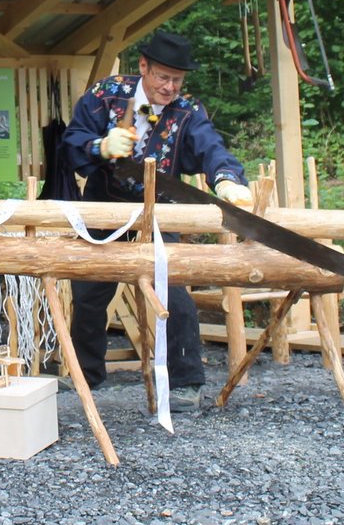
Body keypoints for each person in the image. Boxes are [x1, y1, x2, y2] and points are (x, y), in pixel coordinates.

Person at [61, 30, 252, 412]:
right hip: (105, 203)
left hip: (162, 203)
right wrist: (99, 146)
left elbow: (211, 147)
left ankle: (186, 382)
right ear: (143, 67)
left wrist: (228, 178)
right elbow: (71, 140)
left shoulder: (188, 110)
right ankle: (87, 374)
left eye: (177, 80)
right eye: (162, 77)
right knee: (88, 292)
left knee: (174, 290)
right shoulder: (106, 94)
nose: (169, 87)